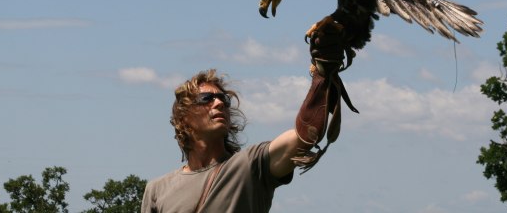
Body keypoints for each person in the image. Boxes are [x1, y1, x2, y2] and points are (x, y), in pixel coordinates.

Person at [141, 17, 351, 213]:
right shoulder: (157, 191)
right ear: (183, 118)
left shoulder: (251, 166)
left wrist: (321, 75)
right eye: (207, 98)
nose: (219, 103)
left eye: (224, 99)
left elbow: (302, 137)